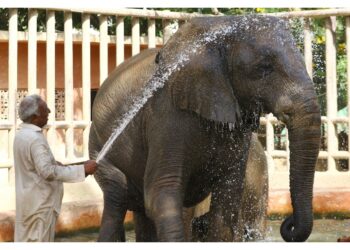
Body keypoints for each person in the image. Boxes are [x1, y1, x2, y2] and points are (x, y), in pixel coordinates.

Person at [13, 94, 98, 242]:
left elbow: (37, 166)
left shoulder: (21, 135)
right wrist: (83, 170)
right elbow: (47, 171)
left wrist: (78, 165)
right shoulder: (35, 139)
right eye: (45, 110)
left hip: (29, 204)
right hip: (40, 207)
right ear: (35, 117)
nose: (49, 112)